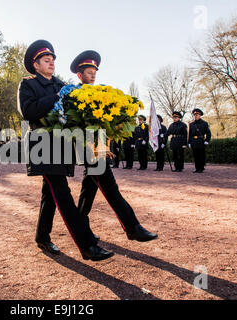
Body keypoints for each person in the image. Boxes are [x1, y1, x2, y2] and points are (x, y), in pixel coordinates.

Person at [19, 40, 113, 261]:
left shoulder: (61, 84)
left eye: (52, 59)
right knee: (62, 194)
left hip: (61, 144)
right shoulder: (28, 85)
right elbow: (28, 111)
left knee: (49, 195)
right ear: (35, 65)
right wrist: (56, 97)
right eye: (46, 60)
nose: (51, 62)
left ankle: (42, 236)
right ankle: (87, 245)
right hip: (43, 146)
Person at [71, 50, 158, 245]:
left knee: (88, 189)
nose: (93, 75)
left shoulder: (103, 93)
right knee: (110, 187)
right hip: (88, 149)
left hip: (101, 146)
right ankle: (132, 227)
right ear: (79, 75)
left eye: (94, 71)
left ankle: (80, 226)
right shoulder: (73, 95)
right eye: (88, 72)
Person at [189, 108, 211, 173]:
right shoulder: (192, 124)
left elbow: (208, 133)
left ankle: (201, 167)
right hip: (194, 141)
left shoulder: (204, 123)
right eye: (194, 115)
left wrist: (207, 140)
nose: (195, 116)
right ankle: (197, 168)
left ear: (200, 115)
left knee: (201, 155)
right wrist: (189, 142)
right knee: (195, 155)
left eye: (197, 114)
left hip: (200, 140)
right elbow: (190, 134)